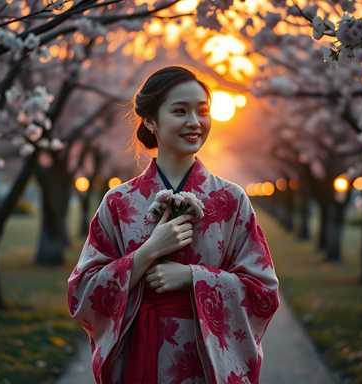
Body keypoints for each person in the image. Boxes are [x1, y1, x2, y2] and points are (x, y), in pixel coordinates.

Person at [67, 66, 280, 383]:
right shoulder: (118, 202)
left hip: (208, 364)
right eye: (180, 111)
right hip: (139, 356)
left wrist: (192, 278)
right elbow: (81, 292)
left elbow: (263, 292)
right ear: (151, 120)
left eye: (202, 111)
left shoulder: (231, 200)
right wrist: (148, 253)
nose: (195, 123)